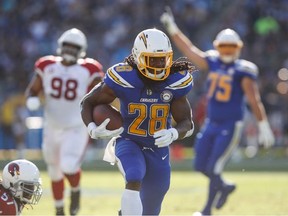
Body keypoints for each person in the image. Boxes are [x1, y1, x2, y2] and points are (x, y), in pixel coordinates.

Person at [160, 8, 275, 216]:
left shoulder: (244, 69)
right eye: (225, 47)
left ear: (238, 48)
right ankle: (224, 186)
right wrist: (172, 28)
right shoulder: (212, 62)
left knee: (214, 167)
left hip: (230, 125)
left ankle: (206, 211)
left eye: (232, 47)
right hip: (211, 123)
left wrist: (262, 124)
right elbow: (190, 50)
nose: (228, 51)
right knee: (200, 165)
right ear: (217, 47)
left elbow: (253, 98)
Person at [80, 28, 195, 215]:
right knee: (133, 176)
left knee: (150, 209)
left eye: (163, 59)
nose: (159, 65)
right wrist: (91, 128)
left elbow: (187, 123)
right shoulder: (124, 77)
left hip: (158, 149)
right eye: (153, 59)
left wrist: (173, 133)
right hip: (129, 141)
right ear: (138, 57)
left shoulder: (175, 81)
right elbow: (88, 102)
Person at [25, 28, 104, 215]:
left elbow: (102, 96)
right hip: (51, 125)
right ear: (60, 46)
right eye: (66, 46)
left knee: (68, 165)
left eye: (73, 47)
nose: (69, 50)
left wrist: (98, 117)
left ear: (81, 49)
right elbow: (32, 89)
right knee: (54, 170)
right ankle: (59, 209)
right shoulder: (47, 65)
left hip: (76, 126)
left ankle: (75, 191)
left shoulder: (89, 69)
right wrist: (32, 98)